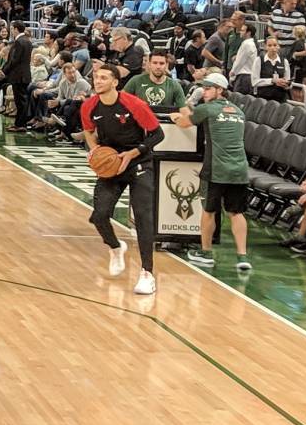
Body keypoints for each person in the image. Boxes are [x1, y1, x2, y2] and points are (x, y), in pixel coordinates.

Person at [82, 60, 164, 298]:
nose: (98, 81)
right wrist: (95, 150)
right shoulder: (89, 106)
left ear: (116, 82)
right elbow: (88, 130)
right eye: (96, 78)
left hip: (138, 162)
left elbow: (158, 133)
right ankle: (116, 248)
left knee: (142, 217)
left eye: (104, 78)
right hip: (112, 165)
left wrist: (133, 153)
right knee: (99, 215)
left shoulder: (133, 104)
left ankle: (147, 273)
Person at [177, 72, 251, 276]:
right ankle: (242, 257)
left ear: (220, 90)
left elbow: (184, 123)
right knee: (236, 212)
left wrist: (177, 117)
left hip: (216, 169)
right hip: (240, 169)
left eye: (208, 88)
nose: (204, 91)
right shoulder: (238, 111)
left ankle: (206, 253)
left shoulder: (207, 109)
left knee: (208, 211)